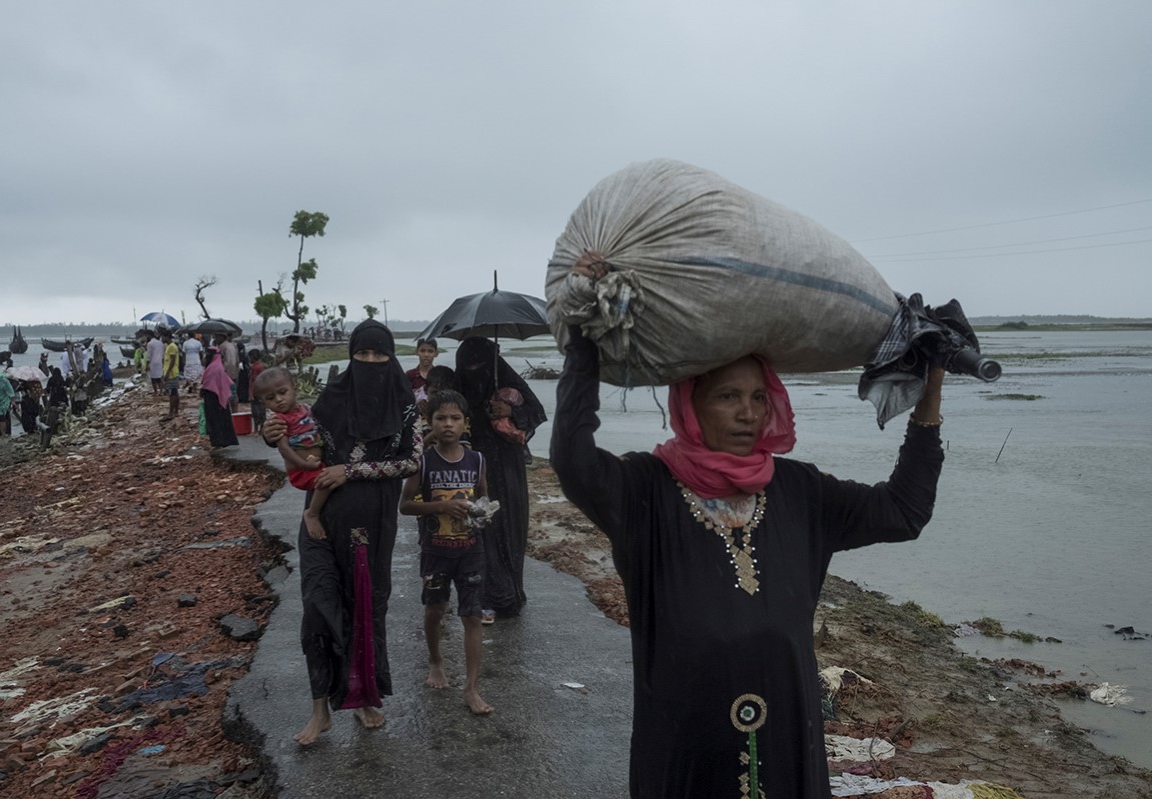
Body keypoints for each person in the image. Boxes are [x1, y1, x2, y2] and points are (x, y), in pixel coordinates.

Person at [549, 269, 946, 799]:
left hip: (787, 731)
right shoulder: (644, 489)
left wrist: (930, 395)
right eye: (728, 397)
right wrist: (584, 346)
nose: (748, 414)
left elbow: (904, 511)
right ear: (690, 403)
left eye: (759, 398)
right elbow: (573, 458)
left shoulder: (800, 490)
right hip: (685, 737)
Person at [261, 320, 422, 744]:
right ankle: (320, 709)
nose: (370, 362)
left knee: (365, 608)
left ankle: (365, 696)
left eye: (379, 354)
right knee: (318, 606)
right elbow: (302, 438)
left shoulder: (405, 406)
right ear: (351, 355)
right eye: (362, 354)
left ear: (391, 357)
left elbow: (412, 462)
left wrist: (351, 470)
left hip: (373, 523)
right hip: (320, 520)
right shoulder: (330, 399)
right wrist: (270, 434)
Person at [399, 390, 494, 716]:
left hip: (471, 550)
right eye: (441, 418)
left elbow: (483, 499)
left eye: (455, 418)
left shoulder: (477, 460)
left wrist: (481, 514)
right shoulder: (422, 462)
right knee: (435, 609)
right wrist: (442, 505)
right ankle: (436, 661)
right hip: (436, 551)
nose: (448, 424)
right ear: (431, 423)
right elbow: (405, 505)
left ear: (466, 424)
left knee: (472, 615)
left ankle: (471, 687)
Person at [455, 338, 546, 619]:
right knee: (482, 528)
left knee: (510, 527)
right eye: (468, 365)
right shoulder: (458, 388)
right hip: (473, 466)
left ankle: (512, 590)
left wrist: (511, 411)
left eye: (480, 365)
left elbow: (537, 412)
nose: (474, 371)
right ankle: (490, 596)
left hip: (508, 468)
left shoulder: (508, 383)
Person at [255, 366, 331, 541]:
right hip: (302, 470)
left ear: (294, 387)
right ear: (264, 403)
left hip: (314, 464)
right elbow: (284, 449)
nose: (279, 400)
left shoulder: (306, 409)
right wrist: (303, 464)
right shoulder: (280, 421)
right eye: (270, 398)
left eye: (283, 392)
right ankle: (312, 513)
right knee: (326, 483)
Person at [199, 347, 238, 448]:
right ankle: (223, 440)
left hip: (213, 397)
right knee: (221, 419)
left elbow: (209, 384)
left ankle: (219, 441)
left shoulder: (214, 368)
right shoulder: (216, 366)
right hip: (217, 397)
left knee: (215, 420)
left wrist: (203, 389)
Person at [161, 332, 181, 419]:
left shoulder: (172, 347)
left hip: (171, 373)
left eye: (163, 336)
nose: (162, 339)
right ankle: (175, 411)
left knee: (172, 393)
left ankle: (171, 412)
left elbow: (172, 361)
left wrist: (167, 373)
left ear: (167, 337)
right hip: (172, 372)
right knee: (174, 392)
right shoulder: (170, 346)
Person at [247, 349, 267, 431]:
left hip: (256, 391)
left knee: (255, 410)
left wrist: (250, 393)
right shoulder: (263, 366)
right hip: (263, 391)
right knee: (262, 409)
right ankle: (262, 428)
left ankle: (256, 428)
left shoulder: (255, 367)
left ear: (253, 357)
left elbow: (253, 381)